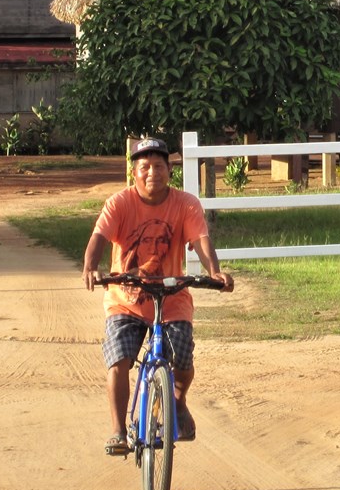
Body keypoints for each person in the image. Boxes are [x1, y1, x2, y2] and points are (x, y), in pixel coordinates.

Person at [82, 137, 233, 456]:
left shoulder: (186, 204)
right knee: (120, 358)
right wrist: (91, 267)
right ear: (134, 172)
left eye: (160, 166)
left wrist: (215, 271)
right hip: (126, 299)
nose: (153, 172)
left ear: (170, 170)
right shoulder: (119, 203)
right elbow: (99, 237)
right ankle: (118, 431)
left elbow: (201, 240)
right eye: (145, 166)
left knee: (182, 355)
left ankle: (177, 401)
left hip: (171, 295)